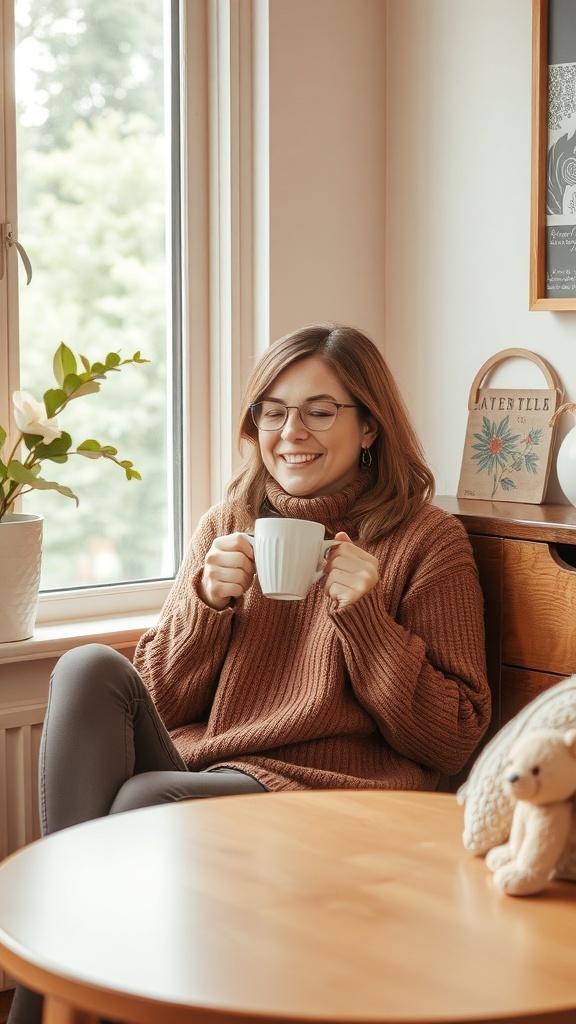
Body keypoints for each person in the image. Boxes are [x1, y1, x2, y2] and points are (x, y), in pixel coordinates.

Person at [8, 322, 490, 1023]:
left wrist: (365, 619)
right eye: (273, 410)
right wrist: (206, 605)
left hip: (338, 795)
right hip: (217, 771)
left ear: (369, 429)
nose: (291, 430)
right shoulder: (227, 524)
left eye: (320, 410)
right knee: (87, 670)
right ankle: (67, 982)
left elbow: (452, 740)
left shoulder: (427, 542)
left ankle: (45, 1003)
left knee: (141, 809)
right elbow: (162, 699)